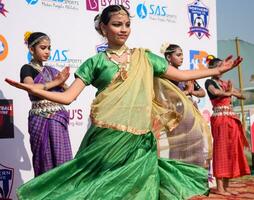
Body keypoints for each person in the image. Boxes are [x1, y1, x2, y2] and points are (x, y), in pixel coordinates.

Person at [5, 5, 242, 200]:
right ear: (103, 28)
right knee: (102, 188)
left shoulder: (144, 57)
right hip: (105, 140)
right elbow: (68, 97)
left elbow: (180, 75)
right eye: (117, 24)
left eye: (127, 24)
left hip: (139, 139)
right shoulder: (95, 63)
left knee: (141, 188)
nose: (124, 29)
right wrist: (35, 89)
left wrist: (216, 70)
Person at [19, 32, 73, 176]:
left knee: (62, 162)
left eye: (49, 48)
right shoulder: (27, 69)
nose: (47, 52)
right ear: (32, 49)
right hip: (40, 119)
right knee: (44, 161)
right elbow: (31, 88)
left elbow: (70, 95)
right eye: (43, 48)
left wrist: (63, 80)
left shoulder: (52, 71)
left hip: (58, 119)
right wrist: (56, 82)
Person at [156, 43, 210, 167]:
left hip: (191, 114)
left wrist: (192, 91)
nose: (182, 58)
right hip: (176, 115)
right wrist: (186, 92)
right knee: (177, 146)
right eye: (178, 55)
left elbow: (201, 92)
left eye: (182, 55)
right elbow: (167, 96)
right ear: (169, 58)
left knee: (195, 142)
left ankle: (193, 175)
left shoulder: (185, 75)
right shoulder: (166, 76)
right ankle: (176, 178)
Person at [205, 55, 250, 196]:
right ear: (212, 68)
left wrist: (233, 91)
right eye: (220, 65)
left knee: (231, 151)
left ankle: (226, 185)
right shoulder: (209, 81)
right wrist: (229, 92)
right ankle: (219, 187)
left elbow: (242, 95)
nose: (223, 68)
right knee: (221, 151)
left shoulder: (225, 83)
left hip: (231, 118)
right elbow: (215, 92)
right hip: (220, 119)